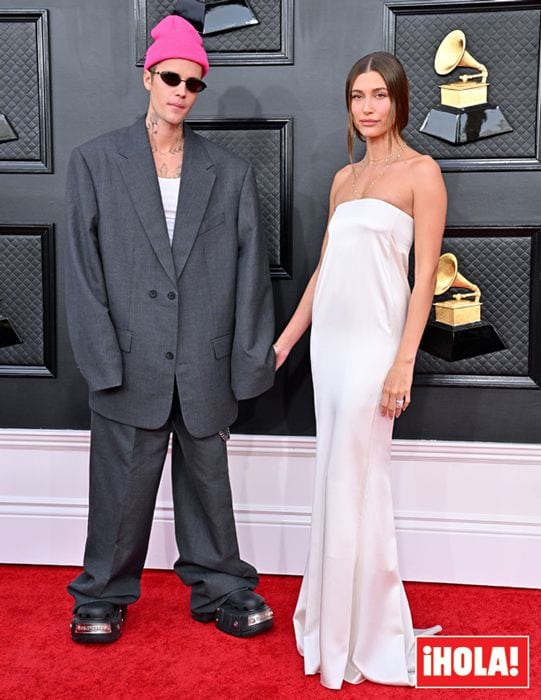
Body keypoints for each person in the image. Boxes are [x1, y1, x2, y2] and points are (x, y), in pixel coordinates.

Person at [64, 14, 276, 643]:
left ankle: (223, 586)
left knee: (209, 482)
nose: (182, 90)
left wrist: (246, 361)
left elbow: (251, 275)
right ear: (148, 77)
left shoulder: (230, 173)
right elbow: (80, 269)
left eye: (194, 82)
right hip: (128, 359)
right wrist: (102, 360)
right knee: (120, 490)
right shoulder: (95, 162)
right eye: (171, 78)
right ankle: (102, 591)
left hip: (204, 359)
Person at [273, 52, 447, 688]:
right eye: (356, 96)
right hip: (331, 348)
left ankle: (366, 632)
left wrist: (403, 361)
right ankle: (339, 623)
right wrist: (286, 342)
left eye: (378, 94)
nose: (367, 107)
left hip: (378, 347)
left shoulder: (422, 173)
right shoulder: (343, 181)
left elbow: (424, 275)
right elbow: (324, 271)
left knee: (359, 478)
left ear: (399, 100)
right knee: (337, 479)